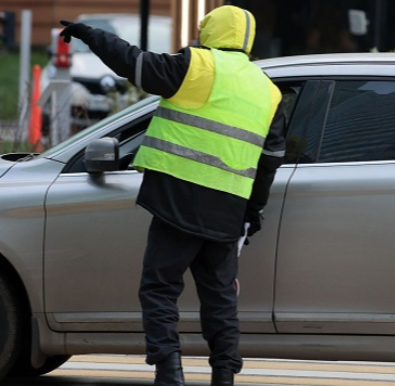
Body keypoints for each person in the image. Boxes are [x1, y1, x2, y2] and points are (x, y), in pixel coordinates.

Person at [61, 5, 286, 386]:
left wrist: (90, 34)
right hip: (228, 210)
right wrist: (252, 211)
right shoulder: (267, 90)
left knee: (160, 288)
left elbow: (133, 63)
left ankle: (169, 372)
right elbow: (271, 159)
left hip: (179, 199)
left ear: (211, 30)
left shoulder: (197, 66)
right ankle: (224, 376)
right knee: (220, 300)